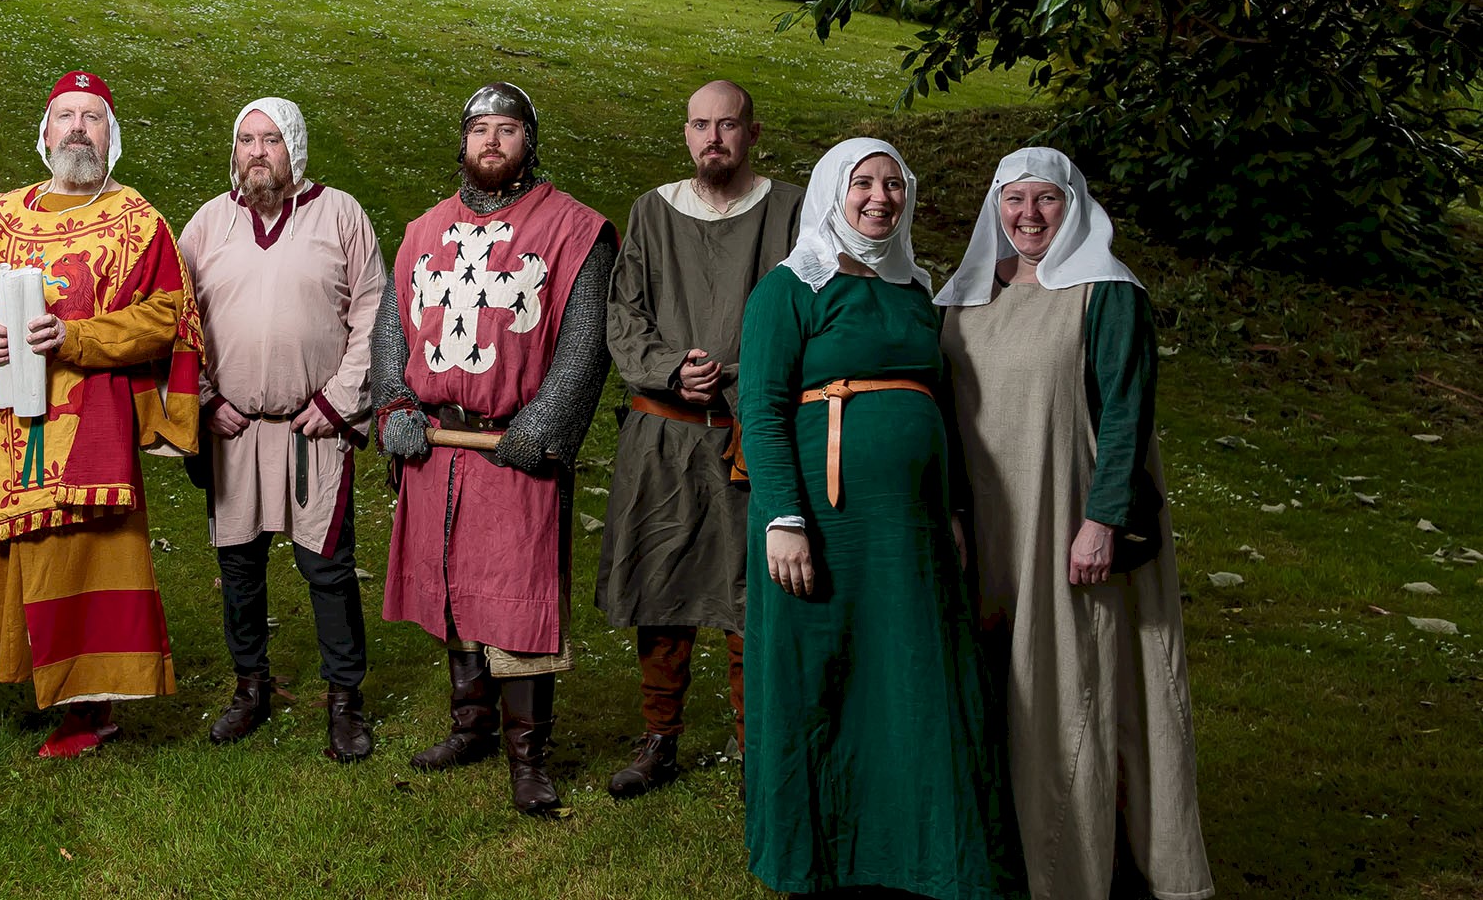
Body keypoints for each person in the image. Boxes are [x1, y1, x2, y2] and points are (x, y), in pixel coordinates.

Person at [0, 71, 205, 758]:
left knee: (77, 560)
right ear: (44, 133)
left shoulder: (140, 222)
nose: (79, 128)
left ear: (112, 136)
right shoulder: (0, 214)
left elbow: (169, 315)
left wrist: (77, 337)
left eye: (93, 118)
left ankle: (89, 709)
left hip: (86, 423)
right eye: (66, 117)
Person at [737, 137, 1021, 899]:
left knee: (910, 678)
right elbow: (760, 412)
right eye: (862, 182)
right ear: (833, 191)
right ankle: (820, 852)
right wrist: (784, 518)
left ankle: (921, 849)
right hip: (826, 528)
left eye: (893, 184)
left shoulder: (914, 293)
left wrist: (955, 508)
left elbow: (948, 414)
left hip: (912, 530)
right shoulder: (789, 290)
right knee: (823, 679)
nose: (880, 197)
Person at [936, 149, 1214, 900]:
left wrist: (1102, 519)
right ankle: (993, 855)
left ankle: (1072, 870)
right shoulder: (963, 295)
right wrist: (955, 512)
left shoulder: (1107, 293)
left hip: (1066, 523)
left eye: (1046, 200)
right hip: (990, 530)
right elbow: (947, 419)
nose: (1028, 215)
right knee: (999, 690)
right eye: (1014, 199)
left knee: (1071, 689)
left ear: (1074, 205)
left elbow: (1127, 412)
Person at [371, 82, 614, 816]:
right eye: (481, 129)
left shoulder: (575, 229)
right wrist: (394, 403)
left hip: (513, 439)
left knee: (518, 601)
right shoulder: (423, 230)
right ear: (464, 140)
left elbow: (585, 346)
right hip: (437, 443)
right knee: (452, 590)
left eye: (508, 129)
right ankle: (470, 724)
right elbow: (392, 332)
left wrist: (544, 426)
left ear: (529, 140)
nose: (493, 142)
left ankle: (528, 756)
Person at [597, 80, 803, 796]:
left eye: (728, 124)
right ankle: (660, 738)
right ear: (686, 133)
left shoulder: (791, 211)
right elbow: (623, 313)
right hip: (664, 430)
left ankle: (756, 743)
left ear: (752, 132)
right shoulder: (653, 212)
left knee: (752, 591)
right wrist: (667, 369)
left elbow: (808, 309)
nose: (713, 137)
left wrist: (736, 375)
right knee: (662, 586)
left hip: (752, 431)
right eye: (699, 125)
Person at [180, 97, 383, 761]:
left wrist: (335, 404)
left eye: (270, 139)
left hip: (312, 429)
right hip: (234, 430)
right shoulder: (208, 225)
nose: (257, 152)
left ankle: (346, 700)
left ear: (294, 146)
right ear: (233, 152)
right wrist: (204, 398)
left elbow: (374, 317)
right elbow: (173, 323)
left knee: (326, 567)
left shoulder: (340, 215)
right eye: (246, 140)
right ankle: (250, 687)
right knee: (238, 566)